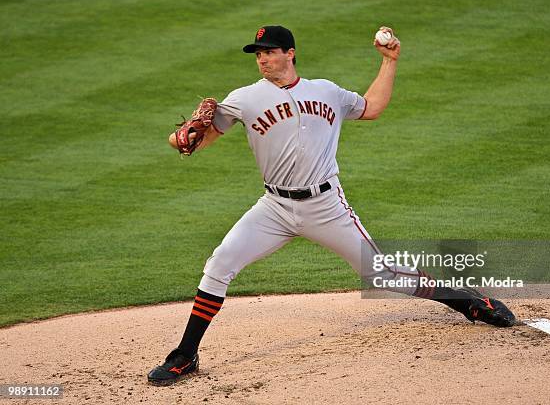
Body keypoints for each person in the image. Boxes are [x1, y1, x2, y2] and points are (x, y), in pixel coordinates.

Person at [148, 25, 515, 386]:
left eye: (270, 52)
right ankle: (185, 355)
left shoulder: (326, 91)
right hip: (274, 207)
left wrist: (389, 62)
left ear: (290, 53)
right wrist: (182, 139)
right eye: (259, 54)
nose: (263, 59)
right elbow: (198, 137)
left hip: (326, 205)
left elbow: (371, 108)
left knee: (383, 277)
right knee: (220, 263)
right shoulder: (244, 98)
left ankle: (468, 300)